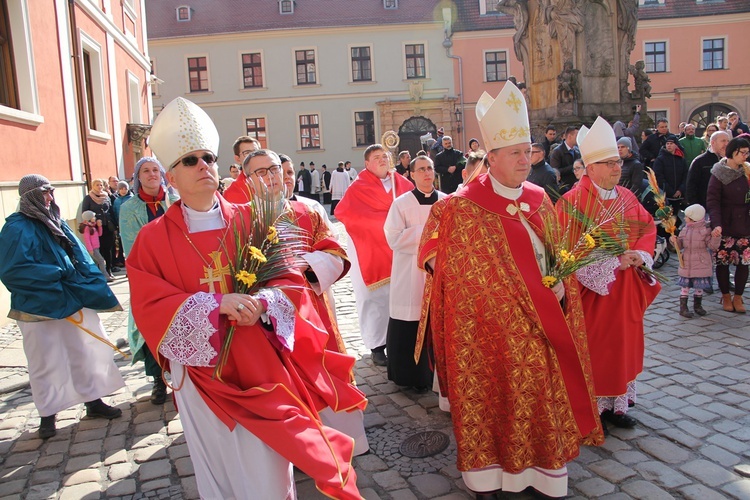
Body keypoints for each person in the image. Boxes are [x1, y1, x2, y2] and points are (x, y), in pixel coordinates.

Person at [127, 97, 365, 498]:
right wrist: (215, 307)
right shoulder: (153, 240)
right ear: (170, 175)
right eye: (190, 161)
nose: (204, 165)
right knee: (218, 469)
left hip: (261, 367)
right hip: (201, 376)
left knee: (268, 472)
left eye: (208, 157)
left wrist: (267, 303)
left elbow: (292, 281)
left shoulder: (252, 218)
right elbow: (149, 304)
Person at [419, 81, 602, 498]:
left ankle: (543, 472)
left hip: (544, 323)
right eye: (516, 153)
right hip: (488, 333)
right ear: (492, 159)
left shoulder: (540, 198)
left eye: (529, 151)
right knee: (494, 399)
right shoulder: (458, 208)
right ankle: (490, 475)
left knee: (540, 398)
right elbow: (440, 264)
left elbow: (558, 257)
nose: (526, 159)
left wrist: (561, 288)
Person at [0, 174, 124, 439]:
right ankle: (48, 413)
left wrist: (86, 282)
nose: (50, 197)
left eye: (51, 191)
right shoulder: (16, 228)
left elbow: (78, 255)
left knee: (84, 350)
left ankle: (93, 400)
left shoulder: (56, 222)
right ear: (31, 195)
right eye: (45, 192)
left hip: (72, 297)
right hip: (38, 306)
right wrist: (56, 274)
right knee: (45, 360)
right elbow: (13, 270)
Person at [559, 116, 661, 434]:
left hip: (626, 292)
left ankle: (617, 405)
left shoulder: (627, 197)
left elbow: (646, 228)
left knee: (624, 348)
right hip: (593, 297)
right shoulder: (572, 202)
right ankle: (591, 405)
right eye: (609, 163)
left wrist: (641, 254)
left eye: (618, 161)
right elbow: (565, 252)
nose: (617, 168)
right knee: (597, 350)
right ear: (590, 168)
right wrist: (612, 262)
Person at [335, 144, 414, 366]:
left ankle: (400, 342)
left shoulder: (403, 183)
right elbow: (344, 213)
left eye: (385, 156)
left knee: (400, 296)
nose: (382, 160)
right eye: (376, 157)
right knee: (374, 299)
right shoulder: (358, 187)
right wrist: (380, 224)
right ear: (367, 164)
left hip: (399, 249)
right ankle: (377, 345)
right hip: (369, 248)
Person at [384, 155, 446, 392]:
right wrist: (428, 234)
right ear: (411, 174)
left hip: (438, 270)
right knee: (409, 318)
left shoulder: (446, 201)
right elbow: (393, 237)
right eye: (421, 169)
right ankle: (409, 375)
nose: (427, 173)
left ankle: (436, 376)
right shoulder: (401, 204)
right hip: (410, 272)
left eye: (430, 168)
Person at [119, 156, 174, 405]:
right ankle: (158, 381)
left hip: (178, 272)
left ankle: (188, 378)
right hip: (148, 275)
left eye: (155, 169)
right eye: (146, 171)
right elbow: (132, 246)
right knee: (152, 328)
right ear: (138, 177)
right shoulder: (128, 208)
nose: (152, 174)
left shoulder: (176, 200)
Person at [706, 137, 750, 313]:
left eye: (748, 152)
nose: (746, 156)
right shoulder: (718, 173)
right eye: (743, 153)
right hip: (725, 223)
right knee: (723, 262)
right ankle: (725, 296)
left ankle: (738, 297)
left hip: (745, 223)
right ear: (734, 152)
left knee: (744, 262)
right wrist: (716, 224)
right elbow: (713, 201)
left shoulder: (747, 171)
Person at [671, 204, 721, 318]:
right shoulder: (685, 229)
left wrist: (716, 237)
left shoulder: (705, 230)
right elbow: (680, 245)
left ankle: (697, 306)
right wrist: (674, 241)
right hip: (687, 262)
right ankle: (683, 307)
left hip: (700, 262)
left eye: (687, 217)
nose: (684, 218)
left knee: (699, 286)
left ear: (694, 218)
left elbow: (712, 246)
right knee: (685, 287)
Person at [81, 179, 116, 280]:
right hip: (95, 229)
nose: (99, 187)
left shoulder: (106, 196)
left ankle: (109, 270)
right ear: (93, 186)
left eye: (101, 185)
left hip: (108, 226)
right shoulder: (88, 198)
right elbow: (85, 213)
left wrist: (115, 225)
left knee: (108, 249)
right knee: (98, 250)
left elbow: (111, 210)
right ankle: (101, 272)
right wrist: (95, 221)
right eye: (97, 185)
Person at [686, 131, 730, 208]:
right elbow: (691, 186)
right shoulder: (700, 161)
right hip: (706, 206)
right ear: (713, 142)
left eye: (728, 141)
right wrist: (696, 207)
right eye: (723, 141)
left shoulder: (730, 161)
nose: (726, 144)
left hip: (726, 206)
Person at [653, 134, 689, 212]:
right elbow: (658, 176)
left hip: (679, 195)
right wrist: (670, 191)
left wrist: (680, 189)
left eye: (671, 143)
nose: (669, 145)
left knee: (676, 217)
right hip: (666, 195)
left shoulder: (681, 159)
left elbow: (686, 175)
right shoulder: (660, 159)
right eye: (667, 143)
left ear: (676, 145)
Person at [221, 136, 261, 202]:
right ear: (238, 159)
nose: (253, 156)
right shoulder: (232, 192)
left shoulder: (271, 180)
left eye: (256, 152)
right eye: (247, 153)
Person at [79, 210, 111, 281]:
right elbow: (87, 239)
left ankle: (97, 276)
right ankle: (105, 276)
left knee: (97, 262)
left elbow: (100, 234)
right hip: (93, 248)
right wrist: (90, 249)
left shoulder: (93, 226)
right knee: (101, 261)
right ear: (89, 218)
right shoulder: (87, 228)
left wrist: (99, 226)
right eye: (93, 216)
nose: (95, 217)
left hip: (97, 247)